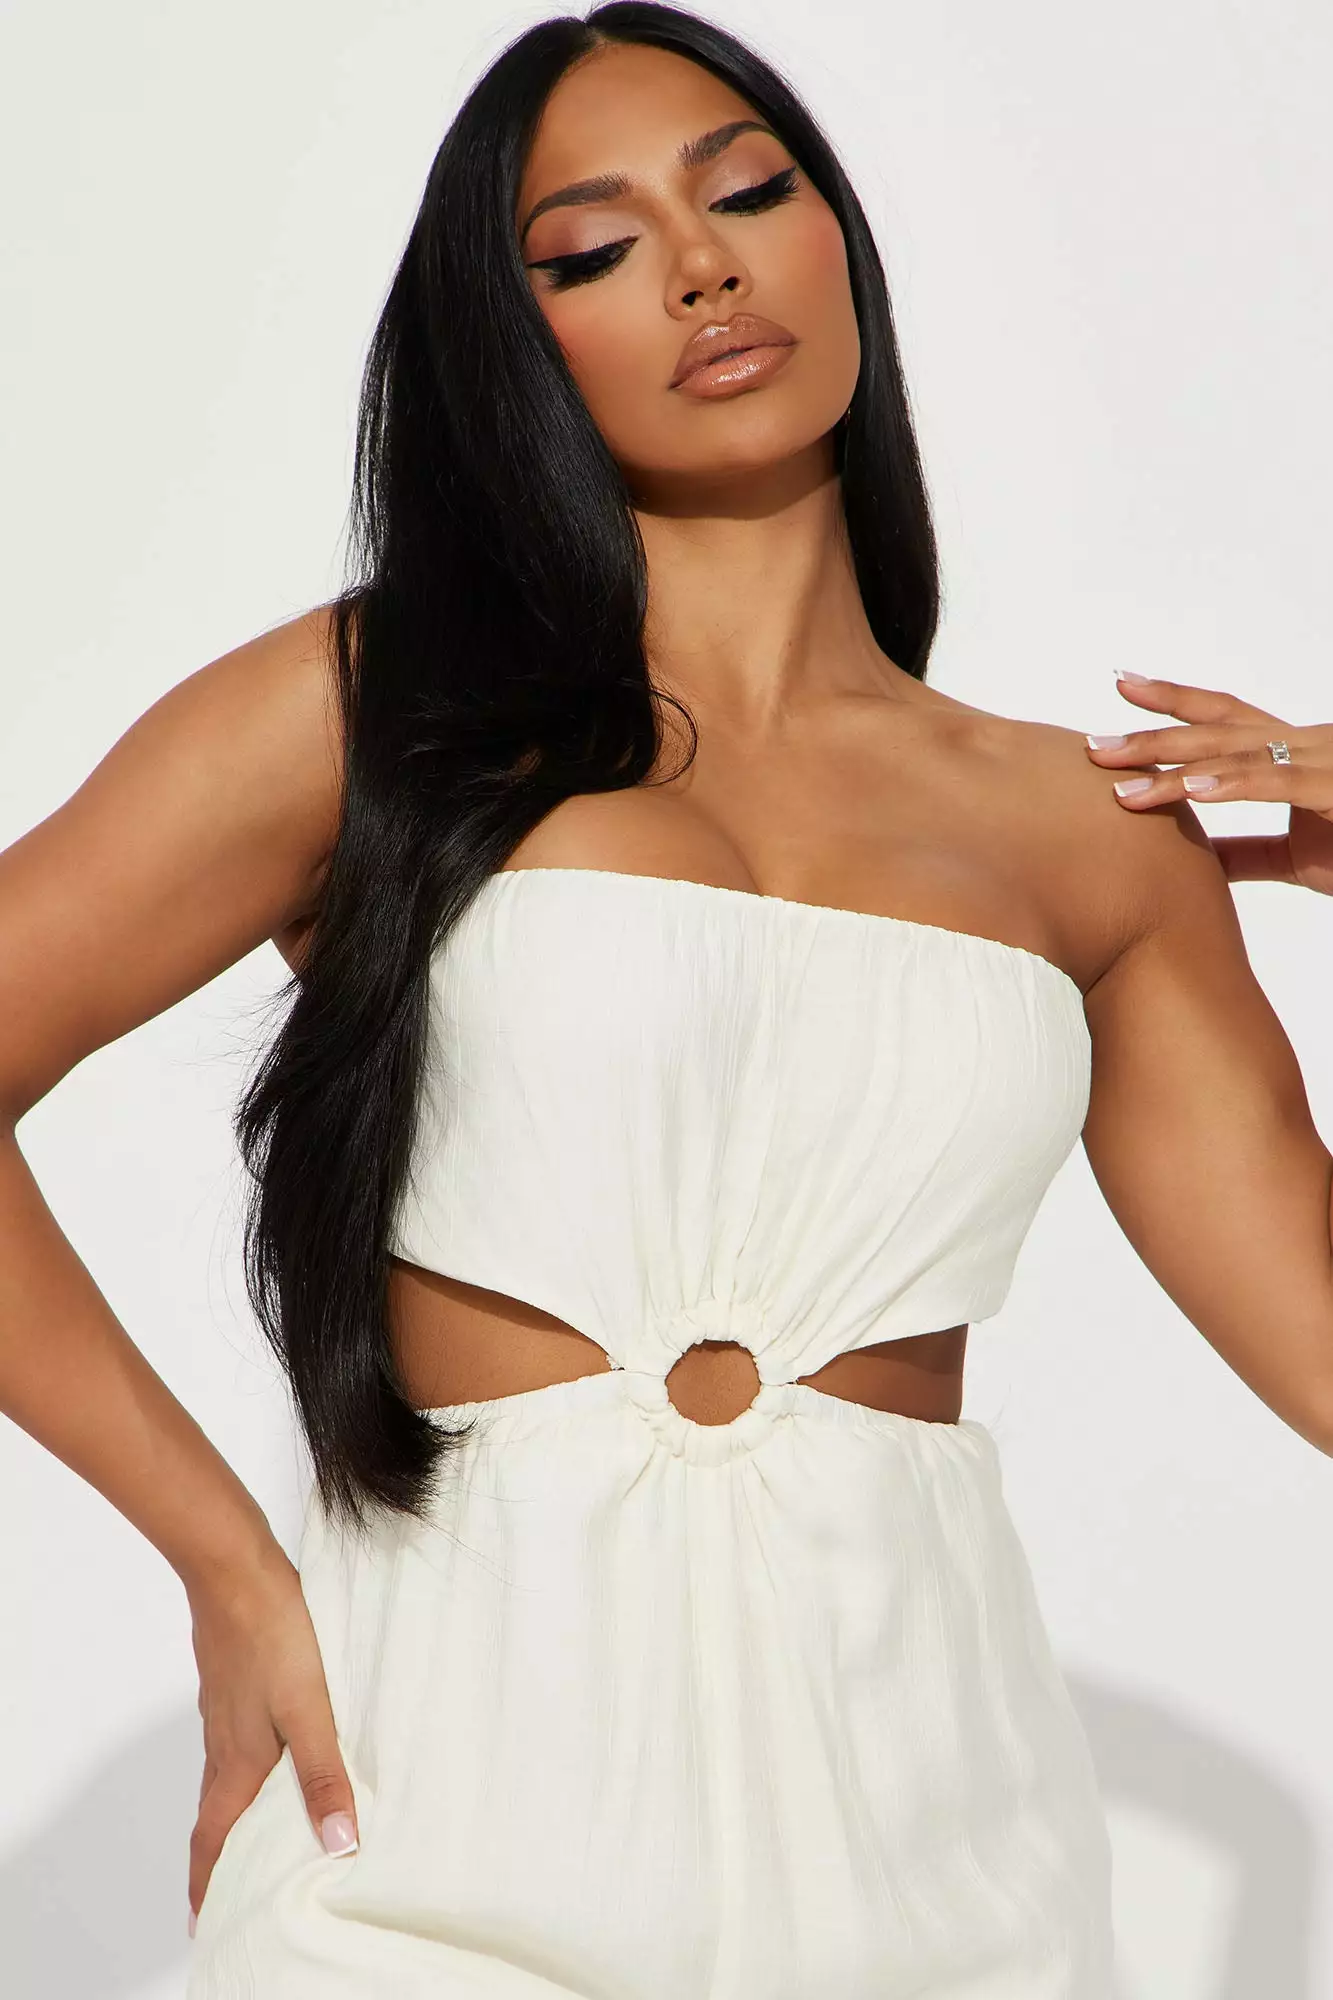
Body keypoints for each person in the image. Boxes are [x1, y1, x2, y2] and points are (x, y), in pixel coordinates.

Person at [3, 4, 1330, 1995]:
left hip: (939, 1877)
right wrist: (225, 1562)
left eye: (748, 191)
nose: (701, 266)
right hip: (426, 1852)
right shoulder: (373, 715)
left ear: (836, 236)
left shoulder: (1089, 831)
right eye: (594, 249)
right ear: (506, 344)